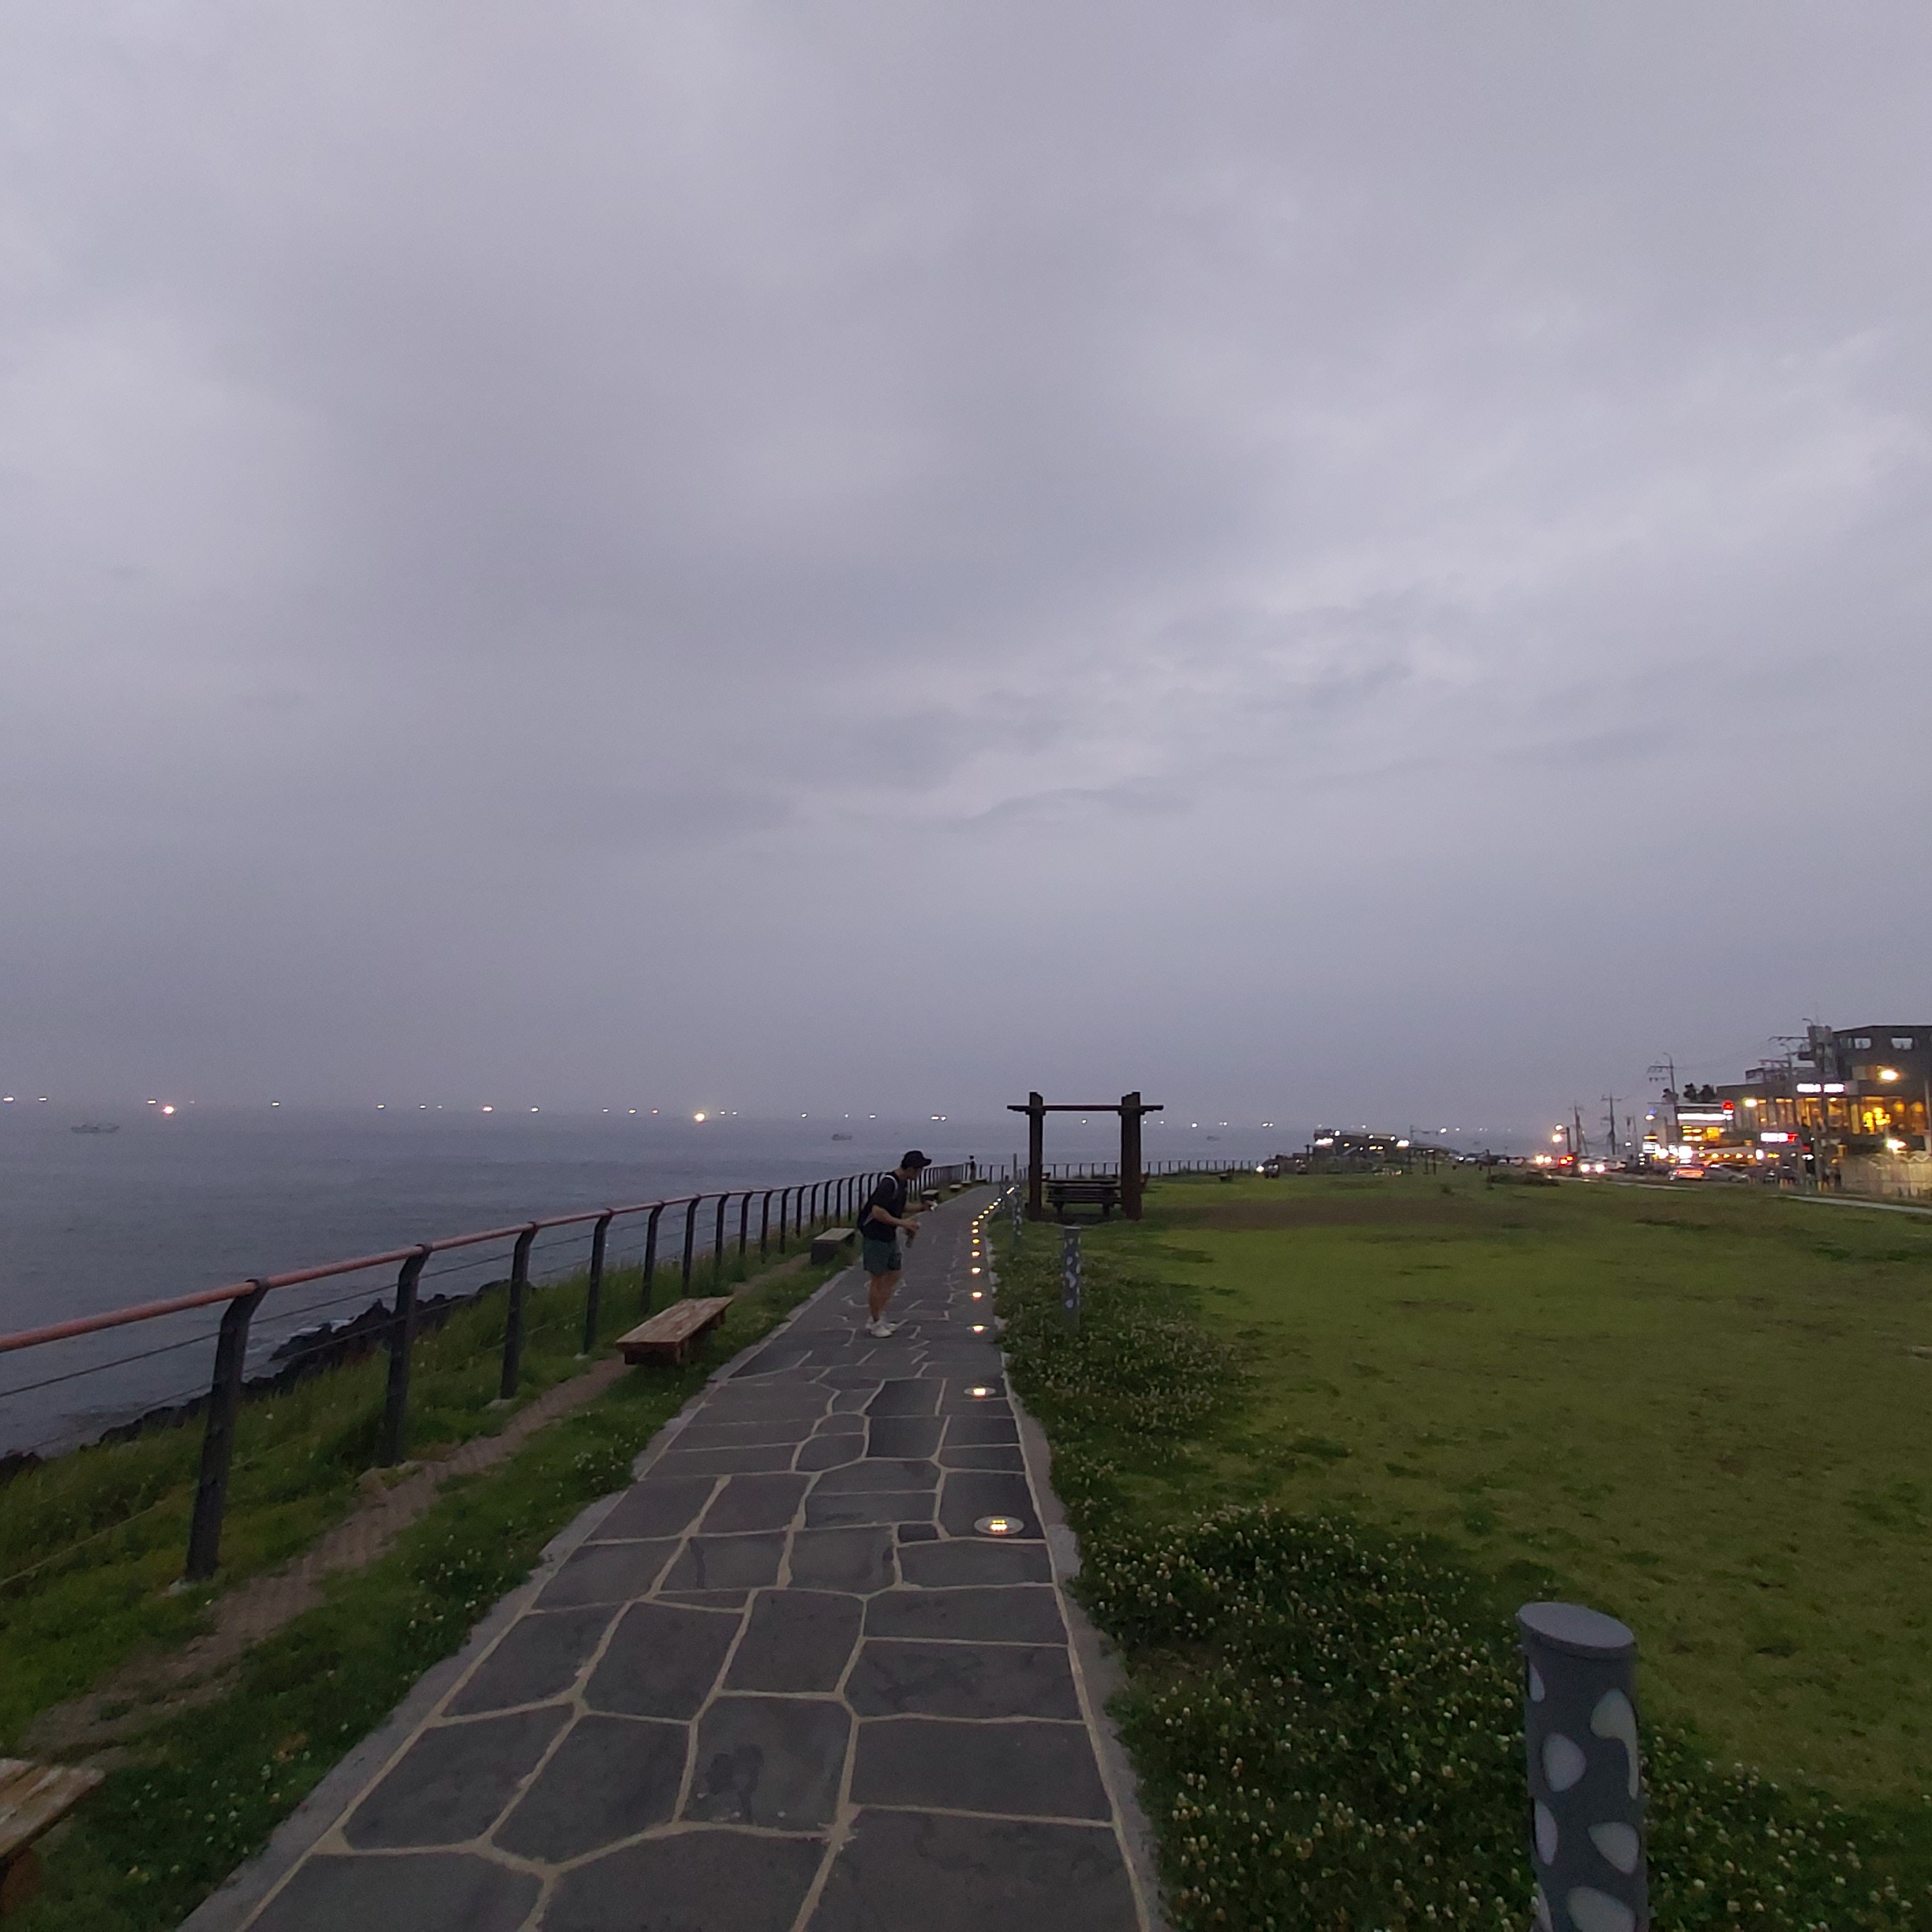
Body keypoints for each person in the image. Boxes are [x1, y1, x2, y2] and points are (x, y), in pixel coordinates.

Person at [857, 1151, 927, 1338]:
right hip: (875, 1235)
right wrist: (903, 1223)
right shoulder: (889, 1184)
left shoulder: (901, 1184)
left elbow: (899, 1206)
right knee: (878, 1279)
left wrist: (921, 1207)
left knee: (894, 1274)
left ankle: (878, 1314)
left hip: (888, 1235)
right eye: (919, 1170)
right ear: (910, 1169)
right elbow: (878, 1212)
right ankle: (875, 1321)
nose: (920, 1173)